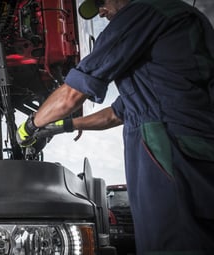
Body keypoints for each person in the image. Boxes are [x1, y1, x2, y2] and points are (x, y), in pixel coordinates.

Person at [16, 0, 214, 254]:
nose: (101, 11)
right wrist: (65, 125)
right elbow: (115, 114)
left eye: (102, 2)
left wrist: (29, 127)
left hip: (170, 152)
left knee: (173, 242)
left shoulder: (142, 13)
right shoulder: (176, 25)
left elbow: (71, 95)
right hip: (190, 150)